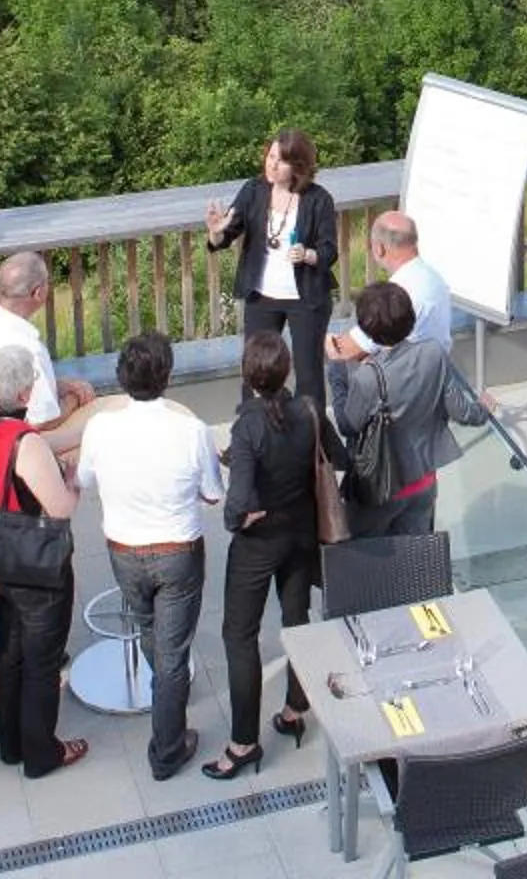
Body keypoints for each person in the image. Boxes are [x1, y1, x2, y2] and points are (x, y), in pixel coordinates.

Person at [76, 329, 221, 782]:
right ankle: (167, 746)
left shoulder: (101, 427)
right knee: (173, 651)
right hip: (178, 549)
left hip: (123, 548)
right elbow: (214, 493)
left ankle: (166, 701)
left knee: (150, 633)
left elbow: (84, 480)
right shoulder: (190, 429)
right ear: (167, 376)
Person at [0, 343, 87, 779]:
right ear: (23, 395)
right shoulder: (27, 443)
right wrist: (73, 480)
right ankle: (42, 751)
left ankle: (11, 745)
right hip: (34, 562)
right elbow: (60, 509)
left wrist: (78, 432)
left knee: (8, 649)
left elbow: (33, 439)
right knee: (41, 659)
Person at [206, 332, 320, 780]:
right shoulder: (308, 411)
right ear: (287, 371)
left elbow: (238, 504)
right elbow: (338, 454)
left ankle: (243, 743)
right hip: (302, 532)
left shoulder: (247, 426)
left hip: (259, 545)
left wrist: (238, 520)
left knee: (240, 637)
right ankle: (295, 708)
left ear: (247, 376)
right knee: (296, 619)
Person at [327, 282, 489, 539]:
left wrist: (336, 371)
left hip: (379, 488)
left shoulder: (368, 377)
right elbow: (462, 412)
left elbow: (348, 425)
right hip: (423, 483)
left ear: (366, 328)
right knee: (413, 563)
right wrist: (484, 408)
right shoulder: (434, 353)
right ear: (410, 318)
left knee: (364, 564)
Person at [203, 128, 339, 418]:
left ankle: (312, 446)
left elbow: (330, 250)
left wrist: (309, 254)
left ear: (299, 166)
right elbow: (225, 236)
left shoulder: (318, 199)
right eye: (270, 156)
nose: (272, 164)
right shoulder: (253, 190)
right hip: (262, 295)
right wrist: (216, 233)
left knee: (308, 374)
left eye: (281, 160)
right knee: (255, 370)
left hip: (306, 297)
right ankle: (252, 435)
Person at [0, 252, 100, 457]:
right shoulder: (29, 348)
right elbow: (43, 420)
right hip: (19, 443)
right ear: (38, 293)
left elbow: (10, 385)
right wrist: (74, 399)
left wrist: (63, 385)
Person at [324, 208, 455, 371]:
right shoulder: (433, 277)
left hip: (405, 380)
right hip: (436, 371)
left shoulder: (399, 293)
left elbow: (348, 350)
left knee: (339, 369)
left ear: (380, 248)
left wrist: (324, 340)